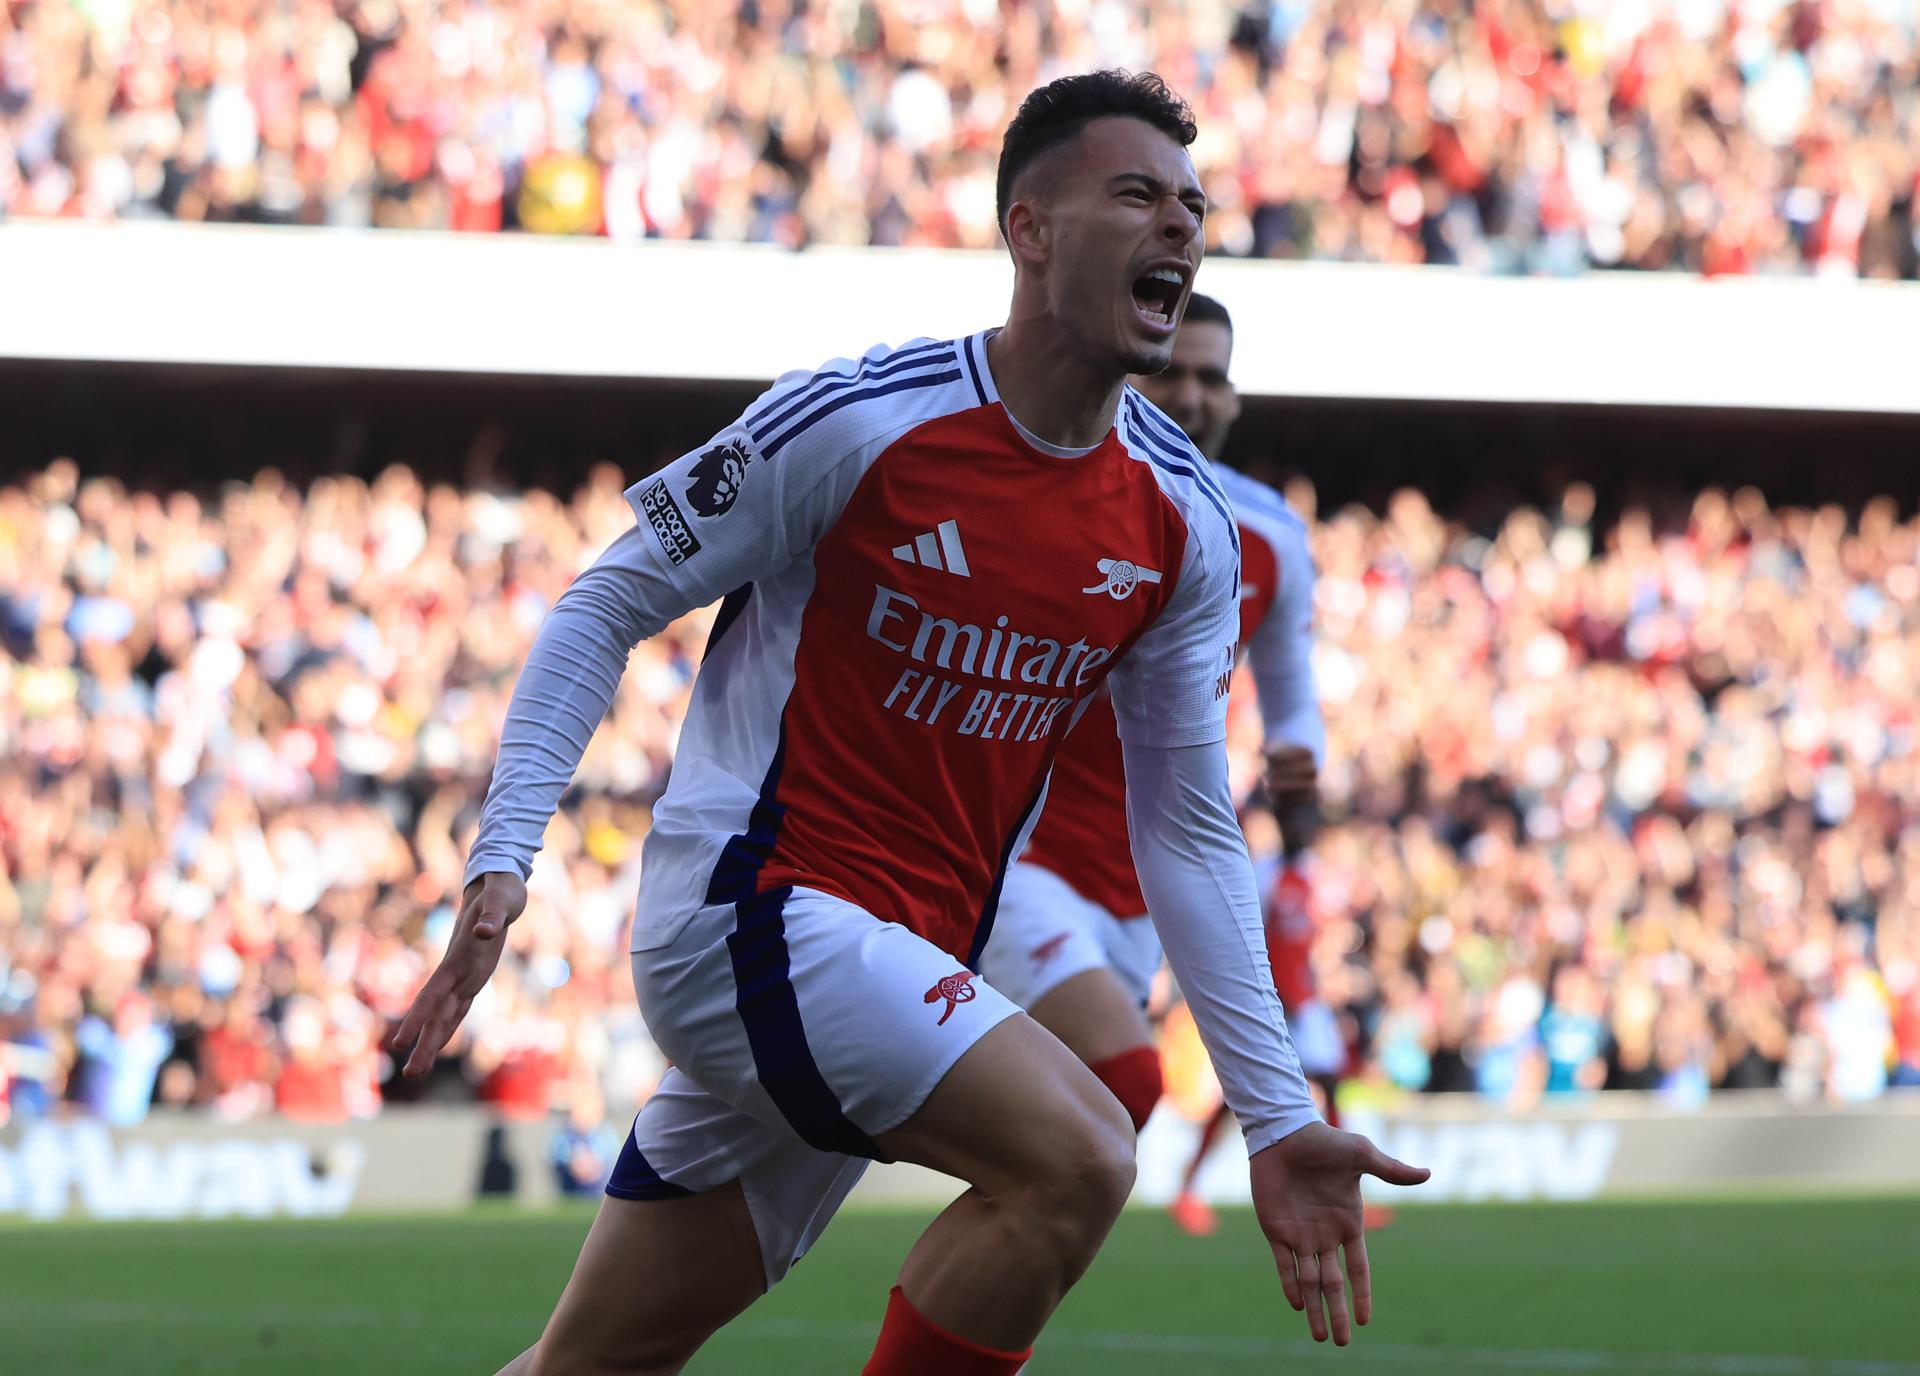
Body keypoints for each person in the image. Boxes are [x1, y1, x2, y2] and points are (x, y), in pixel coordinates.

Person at [393, 70, 1426, 1376]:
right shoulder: (860, 421)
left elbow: (1186, 823)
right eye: (1135, 195)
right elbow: (604, 601)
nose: (1180, 225)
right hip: (751, 911)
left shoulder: (1182, 523)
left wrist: (1277, 1117)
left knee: (590, 1363)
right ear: (1029, 230)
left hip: (894, 954)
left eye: (1192, 204)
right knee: (1082, 1156)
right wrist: (502, 861)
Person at [969, 293, 1335, 1231]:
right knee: (1123, 1081)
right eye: (1171, 371)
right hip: (1023, 860)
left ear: (1235, 398)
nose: (1194, 394)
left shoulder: (1270, 538)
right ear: (1129, 374)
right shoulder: (1054, 493)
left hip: (1145, 888)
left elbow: (1293, 699)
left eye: (1213, 378)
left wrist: (1299, 755)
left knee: (1100, 1133)